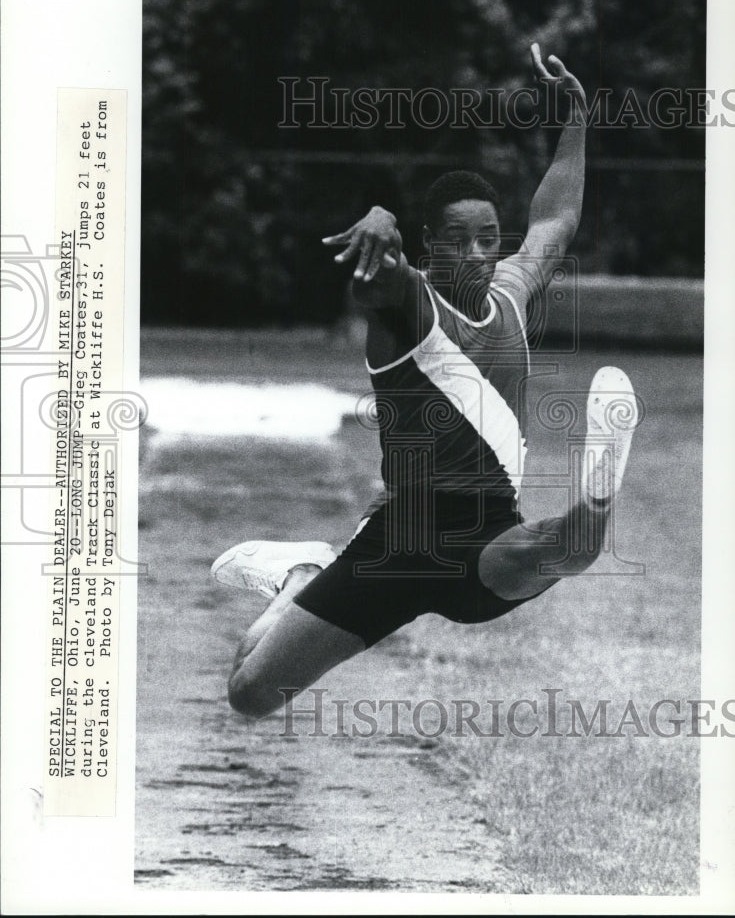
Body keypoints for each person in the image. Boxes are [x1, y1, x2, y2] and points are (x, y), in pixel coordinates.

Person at [213, 43, 640, 720]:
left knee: (569, 548)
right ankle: (302, 573)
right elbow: (375, 281)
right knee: (249, 693)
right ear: (426, 244)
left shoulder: (512, 289)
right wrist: (377, 218)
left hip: (482, 535)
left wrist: (577, 117)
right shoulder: (408, 303)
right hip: (397, 540)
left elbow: (554, 219)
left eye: (486, 238)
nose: (474, 253)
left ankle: (597, 483)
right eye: (455, 239)